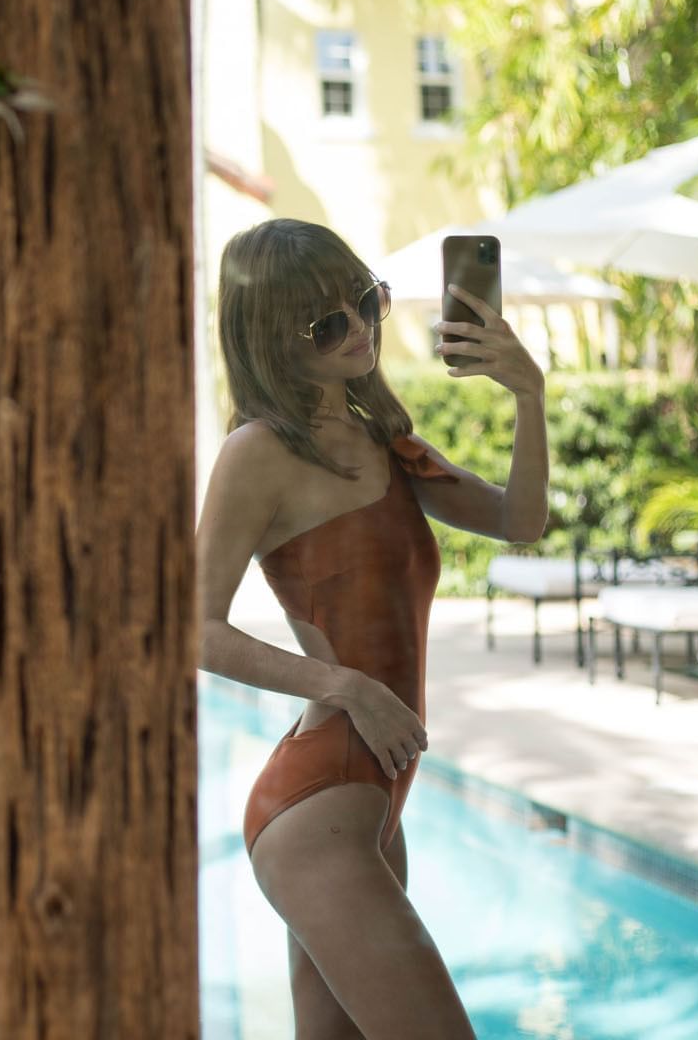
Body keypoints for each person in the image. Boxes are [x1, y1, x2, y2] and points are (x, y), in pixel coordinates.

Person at [197, 219, 548, 1038]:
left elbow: (519, 519)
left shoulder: (382, 440)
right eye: (326, 324)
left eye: (365, 302)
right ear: (269, 339)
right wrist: (345, 685)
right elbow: (195, 631)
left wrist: (529, 395)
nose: (359, 331)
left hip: (371, 808)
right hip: (319, 808)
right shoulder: (258, 453)